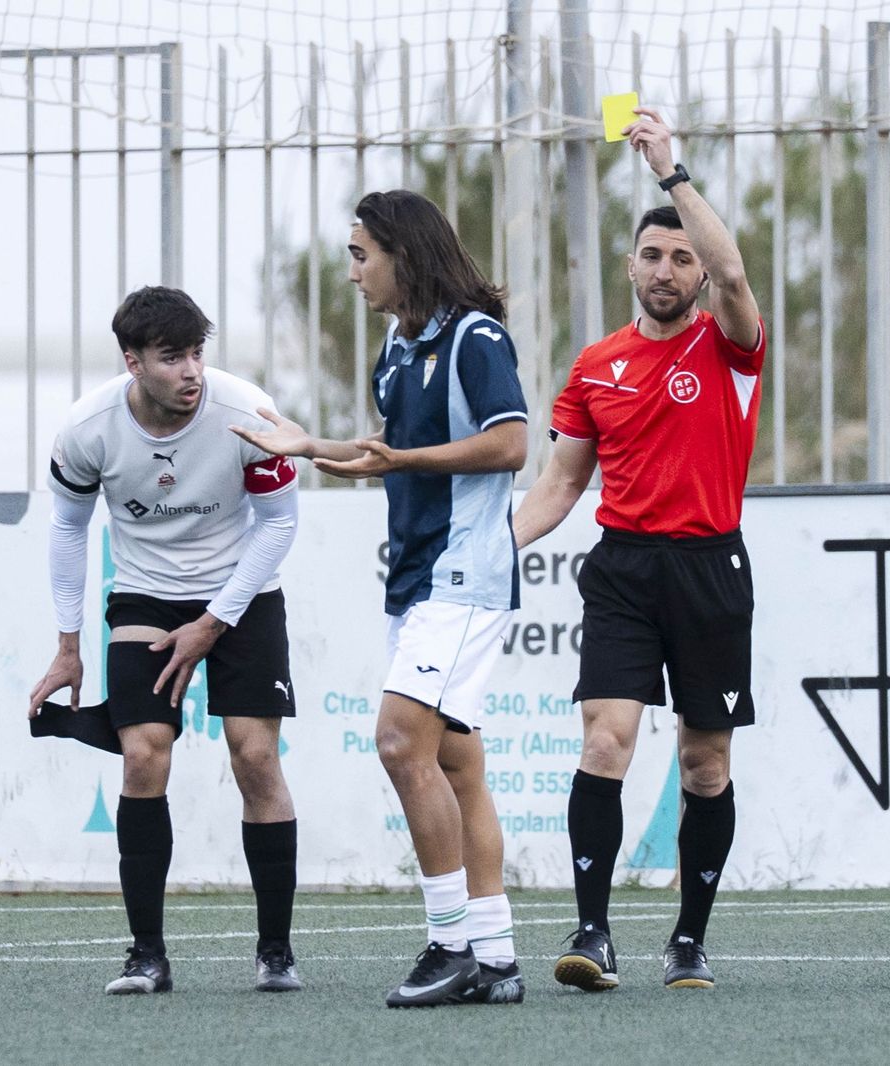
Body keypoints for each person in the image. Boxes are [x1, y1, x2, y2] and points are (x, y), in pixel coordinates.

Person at [232, 189, 528, 1007]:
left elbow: (509, 444)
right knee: (457, 763)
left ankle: (449, 945)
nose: (353, 270)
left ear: (405, 254)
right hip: (416, 580)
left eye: (362, 253)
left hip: (463, 577)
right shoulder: (396, 353)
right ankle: (496, 957)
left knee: (401, 745)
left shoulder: (474, 336)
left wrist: (402, 460)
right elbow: (390, 456)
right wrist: (312, 447)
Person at [511, 106, 766, 991]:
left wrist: (670, 171)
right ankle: (593, 932)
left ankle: (689, 940)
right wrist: (490, 548)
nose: (667, 269)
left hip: (709, 568)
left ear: (698, 272)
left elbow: (736, 270)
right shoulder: (594, 366)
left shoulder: (731, 346)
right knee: (605, 744)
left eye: (681, 257)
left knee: (705, 761)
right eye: (652, 255)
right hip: (621, 569)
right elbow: (557, 486)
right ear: (631, 267)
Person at [27, 286, 303, 995]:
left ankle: (276, 952)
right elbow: (66, 529)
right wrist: (68, 647)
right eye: (171, 357)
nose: (191, 372)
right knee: (143, 754)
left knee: (256, 753)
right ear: (133, 362)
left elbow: (277, 525)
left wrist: (214, 621)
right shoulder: (87, 429)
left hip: (242, 590)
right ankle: (146, 954)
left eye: (197, 354)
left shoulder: (245, 412)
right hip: (146, 591)